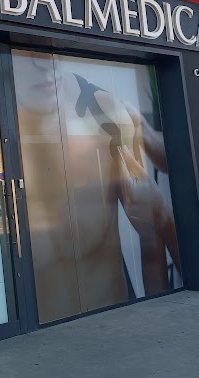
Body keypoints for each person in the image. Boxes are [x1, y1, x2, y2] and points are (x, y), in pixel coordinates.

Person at [12, 51, 180, 322]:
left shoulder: (105, 112)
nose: (45, 61)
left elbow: (150, 237)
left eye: (49, 45)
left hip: (114, 325)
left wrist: (159, 324)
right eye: (29, 47)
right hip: (37, 342)